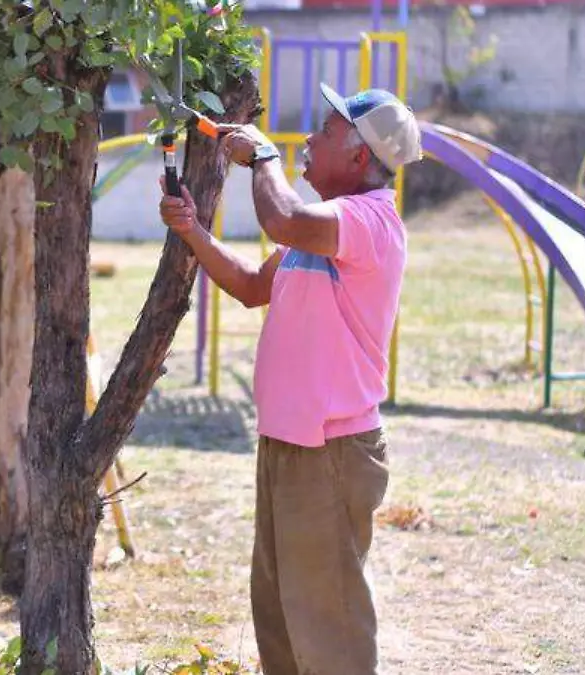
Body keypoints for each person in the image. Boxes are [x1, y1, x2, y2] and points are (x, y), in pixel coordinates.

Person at [158, 84, 423, 675]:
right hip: (289, 441)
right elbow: (255, 287)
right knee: (279, 615)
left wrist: (265, 158)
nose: (308, 139)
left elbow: (280, 218)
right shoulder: (320, 232)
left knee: (328, 627)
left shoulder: (368, 220)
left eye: (325, 131)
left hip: (329, 449)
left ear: (359, 157)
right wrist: (194, 232)